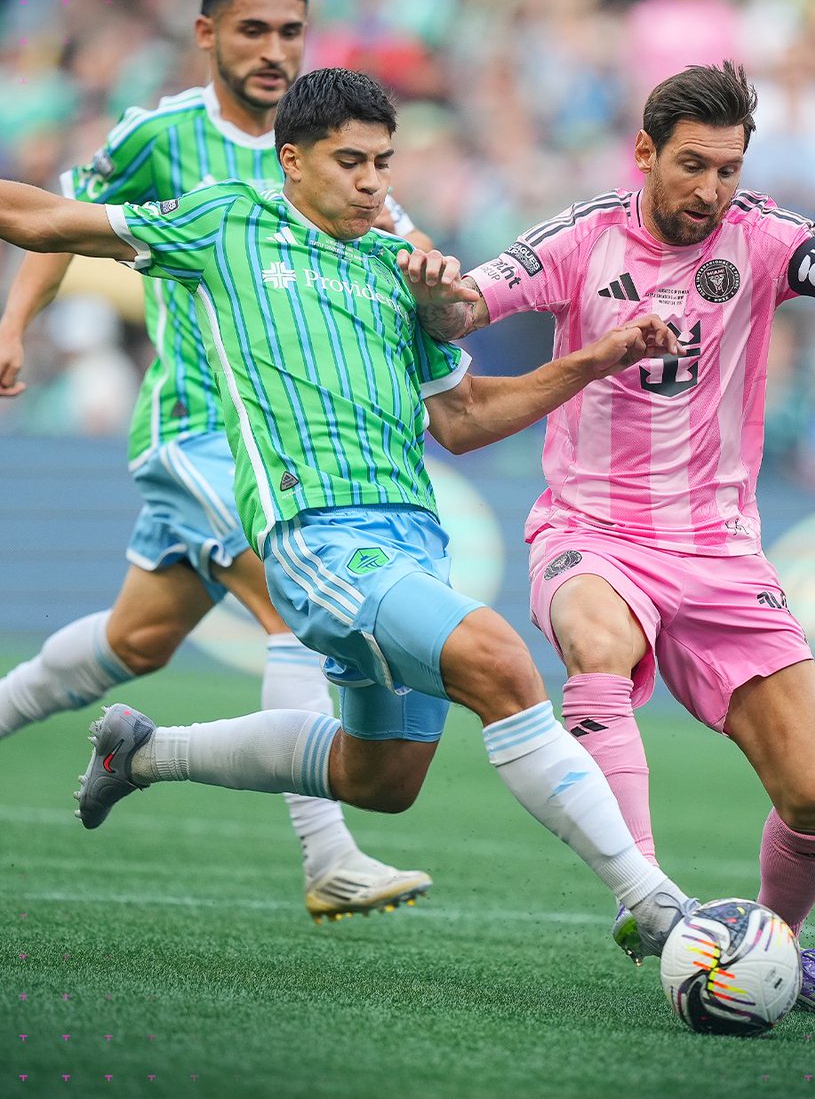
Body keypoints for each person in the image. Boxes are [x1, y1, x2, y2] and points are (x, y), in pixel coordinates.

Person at [0, 66, 704, 969]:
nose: (374, 182)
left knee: (384, 779)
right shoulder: (226, 223)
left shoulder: (393, 271)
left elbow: (465, 418)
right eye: (351, 162)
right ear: (292, 162)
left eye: (383, 161)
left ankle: (143, 753)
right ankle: (656, 903)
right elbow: (42, 219)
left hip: (412, 538)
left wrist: (595, 358)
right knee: (497, 660)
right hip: (316, 538)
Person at [422, 61, 815, 1019]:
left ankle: (776, 952)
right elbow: (468, 304)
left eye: (727, 167)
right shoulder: (579, 239)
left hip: (718, 549)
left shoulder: (762, 234)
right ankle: (656, 904)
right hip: (591, 529)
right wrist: (434, 292)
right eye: (693, 166)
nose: (711, 189)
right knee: (597, 642)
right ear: (645, 153)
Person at [0, 0, 434, 922]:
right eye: (252, 32)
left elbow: (408, 260)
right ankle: (329, 855)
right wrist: (13, 323)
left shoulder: (337, 155)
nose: (274, 50)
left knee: (135, 641)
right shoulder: (163, 136)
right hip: (199, 427)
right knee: (296, 607)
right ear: (208, 36)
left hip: (280, 445)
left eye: (291, 31)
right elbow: (61, 220)